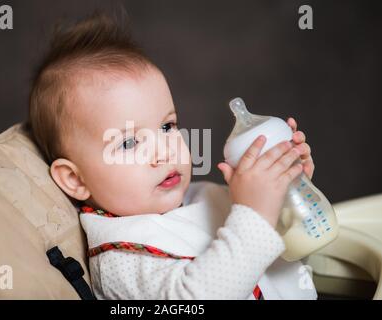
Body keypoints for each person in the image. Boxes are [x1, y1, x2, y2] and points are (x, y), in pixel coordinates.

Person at [28, 11, 317, 300]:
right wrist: (255, 215)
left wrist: (287, 191)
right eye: (129, 143)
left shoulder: (199, 197)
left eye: (167, 126)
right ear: (75, 179)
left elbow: (281, 249)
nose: (165, 151)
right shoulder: (121, 257)